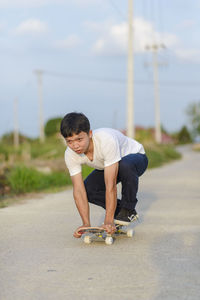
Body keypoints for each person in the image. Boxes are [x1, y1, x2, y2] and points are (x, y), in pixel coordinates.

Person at [60, 112, 148, 238]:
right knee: (87, 189)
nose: (75, 146)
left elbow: (110, 185)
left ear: (90, 134)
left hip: (136, 159)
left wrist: (108, 220)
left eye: (79, 139)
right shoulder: (70, 154)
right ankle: (120, 211)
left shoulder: (106, 140)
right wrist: (86, 223)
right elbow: (79, 191)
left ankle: (128, 209)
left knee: (124, 166)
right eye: (69, 141)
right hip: (110, 165)